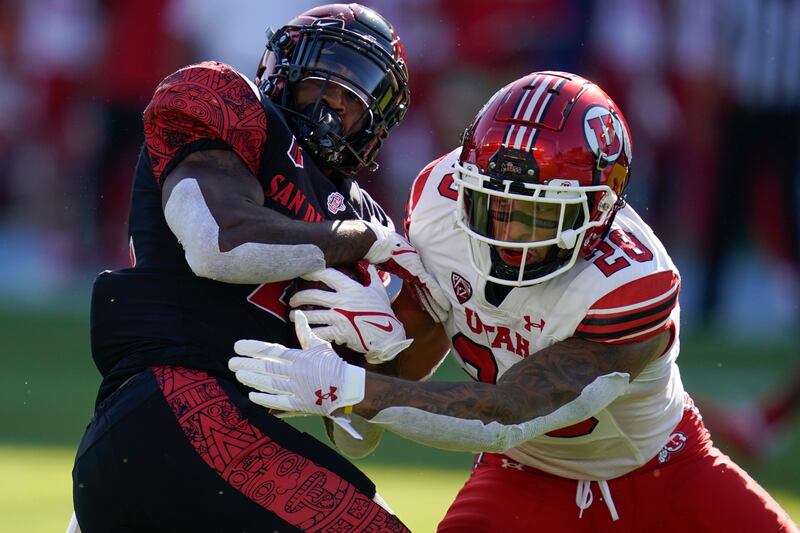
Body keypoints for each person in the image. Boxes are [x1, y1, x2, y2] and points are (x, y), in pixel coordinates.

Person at [229, 71, 799, 531]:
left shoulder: (630, 283)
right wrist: (376, 351)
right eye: (492, 206)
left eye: (536, 215)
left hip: (665, 472)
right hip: (523, 477)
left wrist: (352, 388)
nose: (507, 232)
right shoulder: (438, 202)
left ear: (599, 209)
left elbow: (508, 413)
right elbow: (403, 372)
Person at [71, 4, 450, 532]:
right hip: (176, 410)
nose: (332, 106)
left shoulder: (367, 217)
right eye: (323, 83)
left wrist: (369, 359)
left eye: (351, 98)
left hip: (203, 449)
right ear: (282, 71)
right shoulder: (227, 103)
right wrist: (358, 242)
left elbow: (354, 439)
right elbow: (217, 245)